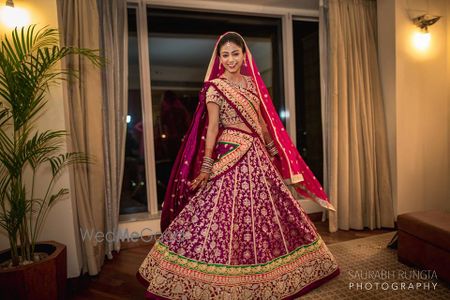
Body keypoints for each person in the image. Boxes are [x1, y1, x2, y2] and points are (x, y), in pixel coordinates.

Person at [137, 32, 339, 299]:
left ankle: (271, 269)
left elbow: (262, 122)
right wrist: (207, 166)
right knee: (220, 213)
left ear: (244, 55)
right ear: (219, 58)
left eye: (235, 53)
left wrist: (270, 149)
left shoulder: (252, 85)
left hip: (256, 152)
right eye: (225, 54)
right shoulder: (215, 87)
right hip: (230, 151)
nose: (231, 59)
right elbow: (211, 129)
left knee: (268, 212)